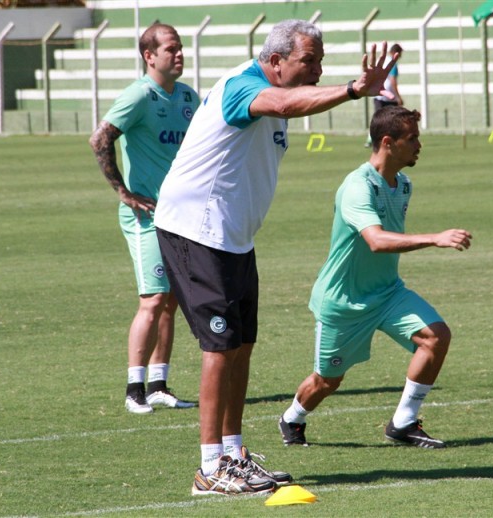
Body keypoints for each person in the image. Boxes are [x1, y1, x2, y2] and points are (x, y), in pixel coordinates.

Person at [152, 19, 398, 495]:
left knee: (241, 345)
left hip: (233, 238)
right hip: (195, 231)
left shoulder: (274, 83)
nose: (317, 70)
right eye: (310, 61)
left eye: (321, 61)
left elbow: (289, 102)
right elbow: (284, 102)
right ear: (275, 60)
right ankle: (210, 467)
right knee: (219, 347)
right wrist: (351, 90)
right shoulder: (245, 86)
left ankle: (235, 455)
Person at [279, 106, 472, 449]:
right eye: (411, 138)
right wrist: (434, 238)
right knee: (327, 381)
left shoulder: (403, 184)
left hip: (387, 293)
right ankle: (292, 417)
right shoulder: (357, 187)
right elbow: (377, 240)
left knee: (436, 337)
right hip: (343, 303)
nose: (419, 144)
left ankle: (403, 423)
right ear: (388, 142)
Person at [89, 23, 198, 415]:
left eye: (181, 48)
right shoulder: (138, 95)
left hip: (180, 215)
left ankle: (158, 385)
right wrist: (123, 191)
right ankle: (133, 389)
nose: (179, 54)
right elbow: (100, 139)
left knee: (170, 301)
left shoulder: (188, 97)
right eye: (171, 49)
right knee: (151, 300)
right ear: (149, 56)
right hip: (146, 217)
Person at [366, 43, 403, 147]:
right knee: (393, 120)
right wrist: (398, 97)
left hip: (378, 94)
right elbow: (393, 81)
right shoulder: (393, 63)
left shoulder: (381, 60)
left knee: (377, 119)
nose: (400, 56)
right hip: (389, 96)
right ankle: (396, 140)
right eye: (400, 54)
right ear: (396, 53)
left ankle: (371, 140)